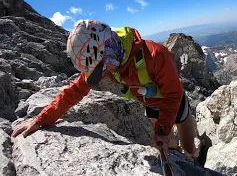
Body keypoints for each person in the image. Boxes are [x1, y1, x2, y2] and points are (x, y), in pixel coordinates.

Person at [11, 19, 196, 157]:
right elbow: (74, 92)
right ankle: (177, 152)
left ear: (108, 48)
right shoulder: (105, 60)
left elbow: (174, 95)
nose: (102, 74)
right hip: (151, 102)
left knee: (185, 140)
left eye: (101, 67)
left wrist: (163, 129)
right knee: (167, 145)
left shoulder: (155, 55)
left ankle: (193, 155)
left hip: (174, 100)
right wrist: (41, 119)